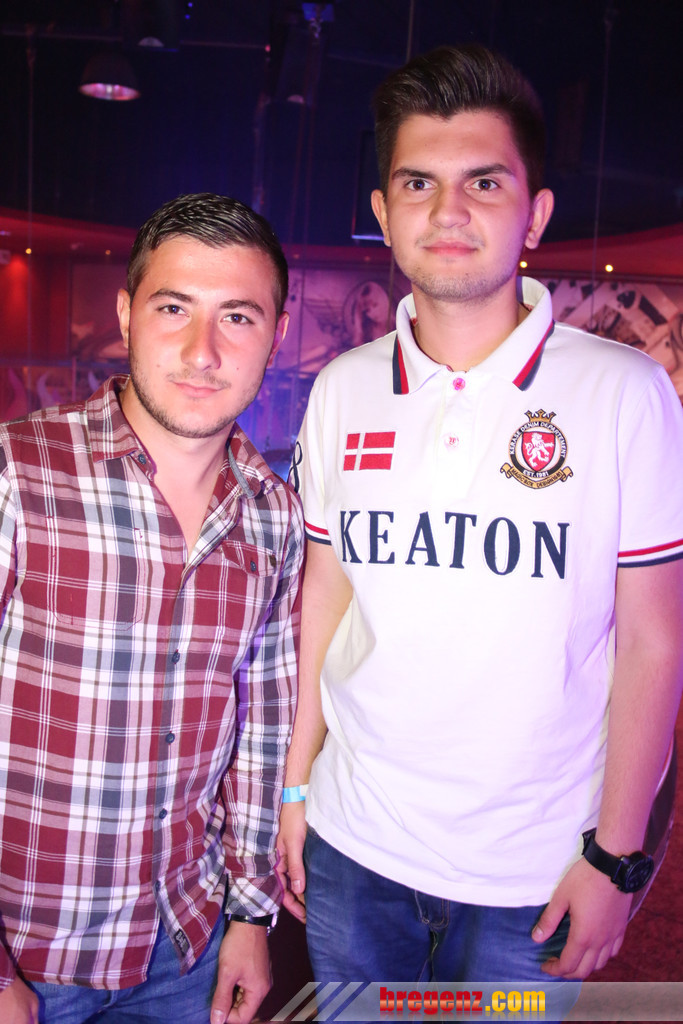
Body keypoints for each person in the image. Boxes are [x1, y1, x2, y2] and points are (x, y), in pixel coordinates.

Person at [276, 43, 683, 995]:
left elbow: (653, 641)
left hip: (531, 873)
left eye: (483, 182)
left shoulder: (623, 391)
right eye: (417, 182)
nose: (447, 210)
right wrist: (295, 787)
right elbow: (326, 597)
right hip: (353, 844)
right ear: (383, 213)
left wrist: (616, 856)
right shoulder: (342, 388)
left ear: (533, 214)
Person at [0, 193, 303, 1024]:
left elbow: (262, 729)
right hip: (27, 951)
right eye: (174, 308)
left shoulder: (274, 515)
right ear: (127, 313)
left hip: (183, 948)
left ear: (276, 335)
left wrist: (250, 916)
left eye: (236, 317)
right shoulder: (19, 473)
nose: (202, 351)